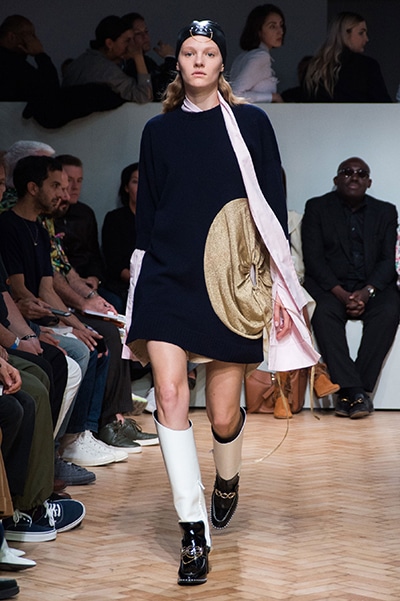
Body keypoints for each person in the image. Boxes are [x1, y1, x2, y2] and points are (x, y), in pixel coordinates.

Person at [124, 19, 317, 585]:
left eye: (208, 53)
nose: (198, 61)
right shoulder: (157, 131)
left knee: (224, 412)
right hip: (167, 276)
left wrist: (277, 283)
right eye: (189, 52)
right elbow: (147, 212)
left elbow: (272, 204)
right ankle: (192, 531)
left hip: (229, 280)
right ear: (178, 63)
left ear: (221, 64)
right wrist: (139, 283)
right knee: (169, 393)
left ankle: (226, 477)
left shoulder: (251, 123)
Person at [301, 157, 400, 418]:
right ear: (336, 180)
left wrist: (367, 292)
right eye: (347, 172)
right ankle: (357, 393)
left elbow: (388, 261)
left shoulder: (385, 212)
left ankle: (350, 393)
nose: (354, 176)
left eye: (361, 173)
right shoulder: (317, 208)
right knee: (322, 312)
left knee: (390, 309)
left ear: (369, 182)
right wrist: (342, 294)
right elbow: (314, 259)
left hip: (371, 288)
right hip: (331, 288)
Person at [303, 12, 391, 102]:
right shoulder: (368, 66)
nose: (366, 39)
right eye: (361, 33)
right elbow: (383, 103)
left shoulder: (316, 67)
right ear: (346, 34)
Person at [62, 15, 152, 104]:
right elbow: (145, 95)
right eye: (127, 41)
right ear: (109, 43)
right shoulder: (107, 71)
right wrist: (138, 56)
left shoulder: (75, 65)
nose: (131, 45)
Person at [101, 163, 138, 312]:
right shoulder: (115, 219)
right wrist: (135, 280)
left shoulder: (156, 221)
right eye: (135, 182)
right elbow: (114, 263)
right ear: (126, 187)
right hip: (122, 283)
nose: (141, 187)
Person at [230, 4, 285, 103]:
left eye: (281, 25)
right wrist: (273, 97)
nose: (280, 31)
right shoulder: (260, 56)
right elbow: (235, 94)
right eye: (272, 26)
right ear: (258, 31)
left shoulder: (243, 56)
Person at [0, 15, 59, 102]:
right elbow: (50, 92)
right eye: (30, 35)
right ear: (11, 37)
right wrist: (40, 55)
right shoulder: (13, 65)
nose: (35, 41)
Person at [121, 13, 176, 101]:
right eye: (138, 33)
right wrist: (170, 58)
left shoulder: (147, 62)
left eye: (146, 32)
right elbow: (162, 93)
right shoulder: (130, 66)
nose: (145, 37)